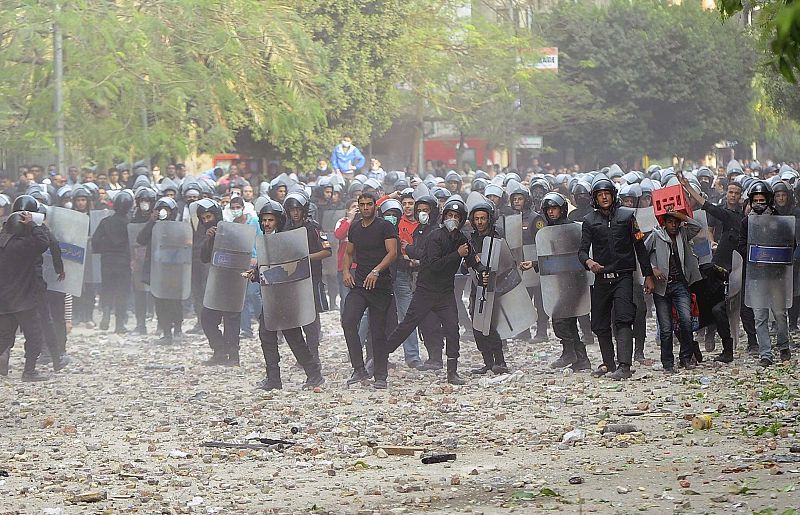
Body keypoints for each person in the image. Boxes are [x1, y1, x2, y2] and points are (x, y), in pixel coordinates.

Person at [384, 198, 485, 386]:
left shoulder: (462, 239)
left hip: (445, 292)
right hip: (426, 290)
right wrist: (457, 255)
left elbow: (471, 259)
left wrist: (482, 270)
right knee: (407, 325)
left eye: (456, 216)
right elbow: (434, 265)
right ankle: (380, 360)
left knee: (452, 330)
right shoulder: (435, 237)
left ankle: (452, 372)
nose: (452, 219)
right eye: (449, 216)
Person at [578, 177, 656, 380]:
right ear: (594, 199)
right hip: (601, 278)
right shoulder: (589, 221)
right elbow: (582, 251)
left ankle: (624, 365)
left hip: (623, 276)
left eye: (607, 194)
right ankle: (608, 362)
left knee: (623, 319)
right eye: (599, 195)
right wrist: (589, 263)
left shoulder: (628, 216)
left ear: (613, 195)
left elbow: (640, 247)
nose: (604, 197)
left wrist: (648, 275)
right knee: (599, 323)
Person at [250, 200, 324, 390]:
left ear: (278, 221)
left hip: (287, 295)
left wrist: (263, 273)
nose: (267, 224)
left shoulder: (285, 240)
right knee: (267, 335)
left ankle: (312, 373)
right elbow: (266, 267)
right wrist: (255, 273)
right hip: (271, 296)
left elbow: (289, 267)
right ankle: (276, 378)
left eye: (270, 220)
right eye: (264, 220)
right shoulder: (265, 240)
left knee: (293, 337)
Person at [527, 193, 591, 371]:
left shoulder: (571, 228)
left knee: (559, 317)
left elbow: (571, 257)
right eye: (548, 209)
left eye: (554, 208)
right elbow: (552, 258)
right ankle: (582, 359)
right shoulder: (549, 231)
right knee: (569, 320)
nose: (551, 212)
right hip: (560, 281)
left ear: (562, 209)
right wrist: (534, 263)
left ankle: (569, 352)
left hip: (576, 279)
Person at [340, 192, 398, 389]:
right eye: (362, 204)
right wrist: (346, 271)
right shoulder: (355, 227)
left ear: (375, 206)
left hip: (380, 286)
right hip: (360, 284)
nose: (365, 208)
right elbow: (349, 252)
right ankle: (358, 368)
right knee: (348, 320)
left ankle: (381, 375)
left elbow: (392, 252)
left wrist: (377, 271)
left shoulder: (385, 226)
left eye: (369, 204)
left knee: (378, 331)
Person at [738, 181, 793, 366]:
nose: (759, 203)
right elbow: (741, 244)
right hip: (756, 276)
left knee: (779, 313)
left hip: (776, 276)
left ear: (769, 200)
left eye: (762, 200)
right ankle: (766, 354)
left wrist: (776, 255)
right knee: (759, 316)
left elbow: (789, 243)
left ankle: (784, 345)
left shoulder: (779, 220)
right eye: (756, 200)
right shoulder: (746, 221)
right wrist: (755, 257)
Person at [646, 209, 703, 373]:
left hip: (680, 284)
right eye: (670, 221)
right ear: (664, 223)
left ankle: (685, 357)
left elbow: (697, 226)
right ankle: (668, 363)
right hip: (662, 287)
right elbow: (642, 254)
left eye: (675, 222)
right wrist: (653, 269)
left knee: (686, 320)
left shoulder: (682, 234)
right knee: (665, 328)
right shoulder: (656, 236)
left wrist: (680, 215)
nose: (673, 225)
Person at [0, 209, 51, 381]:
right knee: (34, 336)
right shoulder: (26, 245)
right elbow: (44, 242)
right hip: (24, 301)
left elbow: (5, 233)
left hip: (4, 301)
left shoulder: (2, 243)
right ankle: (29, 371)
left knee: (4, 337)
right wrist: (32, 224)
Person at [283, 192, 332, 362]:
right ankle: (303, 356)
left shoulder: (313, 227)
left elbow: (327, 251)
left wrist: (306, 258)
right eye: (291, 210)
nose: (295, 213)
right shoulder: (286, 229)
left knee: (311, 319)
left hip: (311, 277)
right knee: (296, 319)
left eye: (298, 209)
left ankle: (313, 355)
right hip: (292, 278)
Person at [465, 200, 509, 375]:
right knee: (477, 325)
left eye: (483, 218)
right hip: (477, 287)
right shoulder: (471, 239)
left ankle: (500, 361)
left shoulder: (498, 237)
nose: (480, 222)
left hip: (495, 288)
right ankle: (487, 361)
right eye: (477, 219)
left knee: (490, 325)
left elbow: (506, 262)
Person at [198, 199, 242, 366]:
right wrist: (209, 240)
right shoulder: (206, 235)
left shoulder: (230, 231)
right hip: (216, 282)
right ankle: (219, 351)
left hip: (232, 280)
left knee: (231, 318)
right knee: (208, 318)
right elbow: (204, 257)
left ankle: (234, 356)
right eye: (203, 218)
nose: (206, 221)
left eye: (209, 216)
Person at [136, 197, 186, 344]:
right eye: (161, 209)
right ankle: (166, 331)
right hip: (157, 269)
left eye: (167, 209)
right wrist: (152, 221)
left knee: (175, 300)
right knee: (160, 300)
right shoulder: (153, 227)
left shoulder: (179, 227)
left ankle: (177, 327)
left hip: (174, 269)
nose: (164, 212)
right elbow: (140, 239)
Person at [92, 190, 134, 334]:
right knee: (122, 291)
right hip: (124, 261)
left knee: (107, 288)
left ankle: (106, 312)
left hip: (107, 260)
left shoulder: (105, 222)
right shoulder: (130, 223)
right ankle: (119, 324)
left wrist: (104, 250)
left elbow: (95, 241)